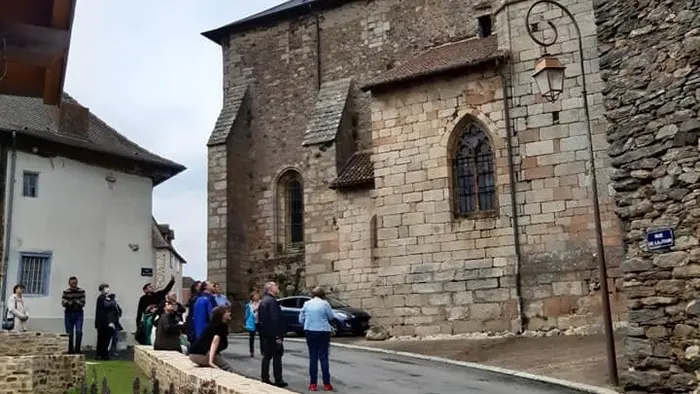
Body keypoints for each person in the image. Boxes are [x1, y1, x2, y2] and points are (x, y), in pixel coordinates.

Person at [299, 286, 336, 391]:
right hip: (323, 331)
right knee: (324, 357)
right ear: (323, 294)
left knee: (313, 357)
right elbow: (331, 317)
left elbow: (301, 319)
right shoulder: (325, 304)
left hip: (310, 331)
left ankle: (313, 384)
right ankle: (326, 384)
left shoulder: (307, 304)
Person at [258, 281, 287, 388]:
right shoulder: (271, 302)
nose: (277, 286)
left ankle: (265, 377)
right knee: (277, 357)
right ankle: (278, 380)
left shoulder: (264, 301)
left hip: (266, 334)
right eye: (275, 285)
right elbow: (274, 319)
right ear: (270, 289)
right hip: (273, 334)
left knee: (266, 357)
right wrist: (277, 336)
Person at [188, 306, 234, 371]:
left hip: (195, 353)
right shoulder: (217, 326)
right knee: (227, 368)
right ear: (221, 315)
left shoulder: (220, 325)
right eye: (227, 312)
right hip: (199, 354)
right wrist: (211, 362)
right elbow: (214, 342)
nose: (230, 313)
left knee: (220, 364)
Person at [136, 275, 175, 344]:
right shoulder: (143, 299)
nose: (152, 288)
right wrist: (138, 325)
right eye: (149, 287)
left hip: (157, 315)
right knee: (148, 327)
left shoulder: (157, 295)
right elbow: (139, 311)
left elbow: (166, 290)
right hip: (148, 317)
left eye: (151, 286)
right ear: (145, 290)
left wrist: (172, 282)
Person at [61, 276, 85, 354]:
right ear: (69, 284)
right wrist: (73, 302)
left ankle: (77, 349)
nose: (74, 285)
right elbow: (64, 303)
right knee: (69, 333)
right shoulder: (66, 292)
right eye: (72, 283)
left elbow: (82, 303)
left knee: (79, 332)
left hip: (78, 313)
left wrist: (72, 302)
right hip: (69, 313)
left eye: (75, 283)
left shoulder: (81, 291)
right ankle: (70, 350)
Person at [94, 283, 117, 360]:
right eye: (106, 288)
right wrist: (113, 302)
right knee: (104, 339)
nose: (107, 289)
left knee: (101, 339)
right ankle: (104, 355)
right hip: (103, 322)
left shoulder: (103, 298)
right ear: (102, 289)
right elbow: (106, 305)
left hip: (102, 322)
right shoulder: (101, 298)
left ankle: (100, 354)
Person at [244, 291, 261, 357]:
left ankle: (263, 350)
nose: (257, 296)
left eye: (257, 295)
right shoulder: (249, 305)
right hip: (252, 322)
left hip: (260, 321)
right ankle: (252, 351)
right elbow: (247, 315)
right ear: (252, 297)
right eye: (255, 295)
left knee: (262, 337)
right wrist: (246, 322)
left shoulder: (261, 303)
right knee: (251, 337)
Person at [107, 292, 123, 357]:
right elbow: (110, 314)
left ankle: (112, 351)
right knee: (110, 337)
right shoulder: (110, 305)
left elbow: (119, 312)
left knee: (115, 338)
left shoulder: (116, 305)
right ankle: (108, 351)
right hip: (112, 323)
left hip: (116, 323)